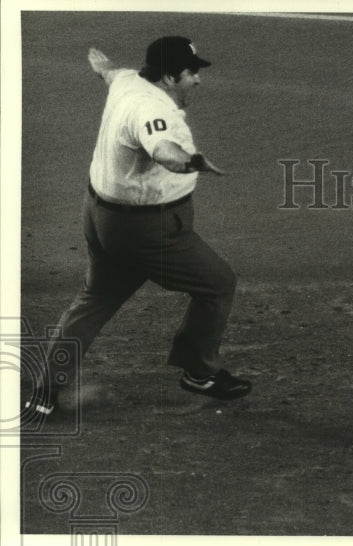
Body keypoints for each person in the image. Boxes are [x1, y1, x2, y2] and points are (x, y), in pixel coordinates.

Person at [24, 36, 251, 420]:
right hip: (148, 232)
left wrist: (101, 63)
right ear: (167, 77)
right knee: (217, 284)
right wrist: (190, 161)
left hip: (101, 216)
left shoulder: (129, 80)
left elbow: (110, 72)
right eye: (191, 73)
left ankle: (44, 392)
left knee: (95, 299)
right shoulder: (153, 111)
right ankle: (199, 372)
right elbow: (163, 148)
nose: (198, 80)